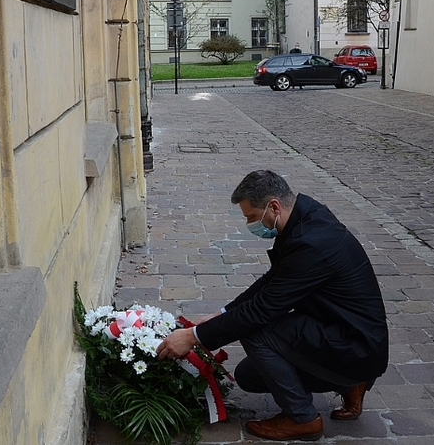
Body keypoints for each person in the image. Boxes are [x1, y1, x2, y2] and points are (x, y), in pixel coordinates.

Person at [157, 170, 388, 441]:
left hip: (356, 345)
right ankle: (349, 383)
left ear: (274, 206)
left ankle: (303, 418)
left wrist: (192, 337)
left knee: (254, 328)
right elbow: (273, 280)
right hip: (339, 328)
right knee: (249, 376)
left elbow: (260, 311)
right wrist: (221, 314)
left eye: (252, 217)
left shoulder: (311, 244)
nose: (250, 224)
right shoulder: (305, 214)